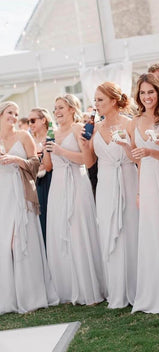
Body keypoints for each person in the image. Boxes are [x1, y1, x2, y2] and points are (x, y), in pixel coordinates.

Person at [44, 94, 106, 305]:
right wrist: (47, 149)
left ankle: (89, 287)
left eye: (61, 107)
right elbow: (49, 166)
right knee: (62, 233)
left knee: (79, 231)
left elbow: (87, 160)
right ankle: (69, 288)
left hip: (77, 183)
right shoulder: (52, 132)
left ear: (72, 109)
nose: (57, 111)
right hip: (58, 186)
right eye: (55, 108)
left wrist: (61, 150)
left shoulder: (78, 129)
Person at [81, 83, 138, 308]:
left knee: (130, 230)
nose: (96, 105)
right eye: (95, 101)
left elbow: (136, 158)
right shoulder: (94, 128)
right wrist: (85, 145)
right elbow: (90, 164)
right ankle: (117, 290)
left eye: (100, 100)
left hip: (127, 179)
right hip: (105, 184)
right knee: (109, 233)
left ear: (114, 101)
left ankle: (135, 287)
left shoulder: (130, 124)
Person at [0, 101, 58, 314]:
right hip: (2, 195)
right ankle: (8, 298)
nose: (14, 117)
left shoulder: (24, 136)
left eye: (16, 113)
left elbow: (35, 165)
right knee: (3, 245)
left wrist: (17, 159)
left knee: (20, 243)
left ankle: (30, 295)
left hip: (21, 191)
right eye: (10, 113)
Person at [130, 74, 159, 315]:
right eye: (143, 93)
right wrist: (138, 191)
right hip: (146, 180)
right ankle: (156, 291)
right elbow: (136, 159)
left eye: (151, 92)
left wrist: (151, 152)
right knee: (153, 232)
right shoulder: (134, 121)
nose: (147, 97)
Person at [28, 107, 53, 245]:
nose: (30, 124)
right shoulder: (30, 140)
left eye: (33, 120)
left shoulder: (52, 136)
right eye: (28, 121)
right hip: (35, 183)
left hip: (51, 180)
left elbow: (50, 165)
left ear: (43, 120)